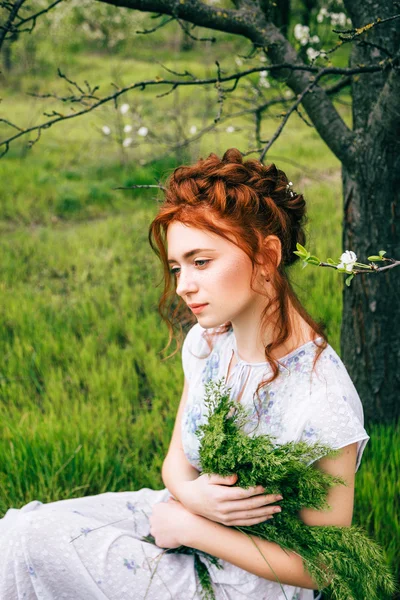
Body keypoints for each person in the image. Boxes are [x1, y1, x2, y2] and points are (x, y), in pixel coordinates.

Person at [0, 148, 369, 600]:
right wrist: (192, 500)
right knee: (17, 531)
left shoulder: (321, 399)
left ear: (267, 254)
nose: (183, 285)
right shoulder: (209, 343)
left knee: (38, 545)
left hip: (247, 580)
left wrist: (193, 528)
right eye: (177, 267)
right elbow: (176, 463)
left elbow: (326, 566)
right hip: (178, 512)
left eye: (201, 262)